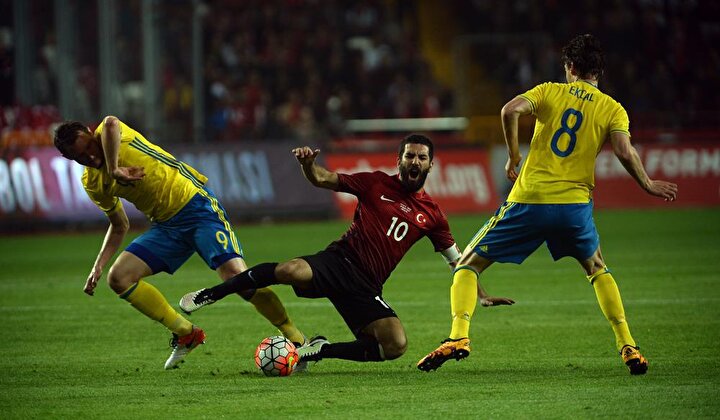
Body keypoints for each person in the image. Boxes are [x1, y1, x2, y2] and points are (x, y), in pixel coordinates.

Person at [417, 34, 678, 375]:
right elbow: (624, 151)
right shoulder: (613, 108)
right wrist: (647, 184)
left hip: (530, 199)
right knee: (597, 268)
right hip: (573, 206)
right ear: (599, 72)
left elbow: (510, 110)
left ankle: (458, 336)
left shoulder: (550, 91)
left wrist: (514, 156)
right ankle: (628, 345)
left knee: (467, 264)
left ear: (570, 67)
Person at [179, 134, 498, 365]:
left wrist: (480, 293)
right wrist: (308, 165)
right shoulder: (374, 183)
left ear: (430, 165)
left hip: (366, 286)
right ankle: (212, 294)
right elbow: (323, 179)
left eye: (421, 158)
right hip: (339, 261)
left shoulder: (433, 215)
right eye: (409, 156)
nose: (415, 161)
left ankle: (320, 349)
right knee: (290, 270)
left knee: (395, 345)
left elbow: (459, 262)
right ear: (399, 160)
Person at [53, 116, 306, 369]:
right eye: (80, 157)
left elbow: (110, 122)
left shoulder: (112, 136)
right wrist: (98, 265)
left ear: (91, 133)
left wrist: (114, 169)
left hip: (196, 208)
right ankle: (186, 333)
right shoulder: (93, 183)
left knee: (238, 279)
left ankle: (297, 341)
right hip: (166, 228)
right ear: (70, 159)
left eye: (89, 147)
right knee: (118, 278)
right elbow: (119, 225)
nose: (90, 156)